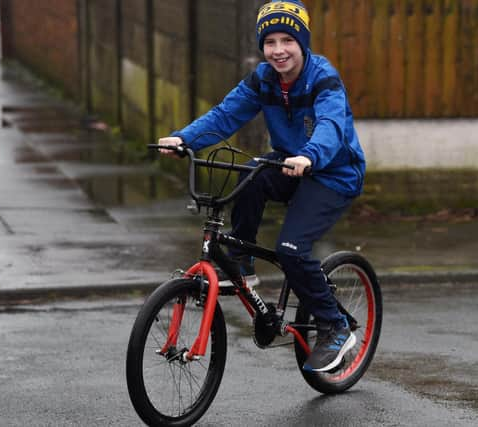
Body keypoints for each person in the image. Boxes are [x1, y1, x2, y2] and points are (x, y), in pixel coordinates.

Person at [157, 0, 366, 373]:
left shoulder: (323, 79)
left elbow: (331, 126)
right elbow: (225, 114)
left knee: (290, 248)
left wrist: (310, 155)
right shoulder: (264, 79)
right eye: (270, 42)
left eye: (287, 40)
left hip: (333, 173)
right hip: (290, 164)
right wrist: (183, 139)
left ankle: (334, 327)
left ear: (303, 43)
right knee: (251, 172)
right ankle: (241, 263)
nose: (278, 50)